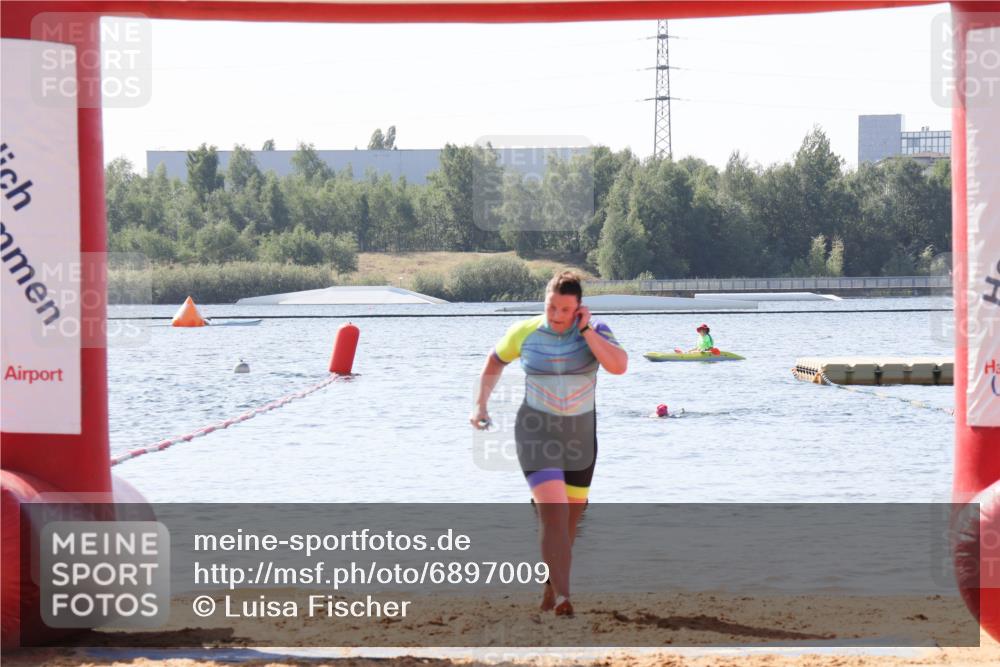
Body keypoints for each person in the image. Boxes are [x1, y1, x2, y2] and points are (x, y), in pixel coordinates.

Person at [470, 270, 628, 617]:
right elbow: (495, 361)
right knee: (554, 513)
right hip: (535, 431)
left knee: (571, 517)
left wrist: (586, 331)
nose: (556, 316)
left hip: (581, 436)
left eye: (564, 310)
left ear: (579, 309)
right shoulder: (525, 332)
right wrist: (480, 405)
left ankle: (550, 585)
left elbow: (618, 366)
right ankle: (563, 598)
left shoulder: (596, 331)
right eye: (551, 307)